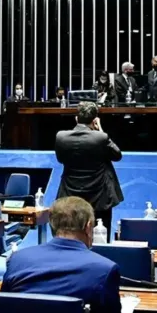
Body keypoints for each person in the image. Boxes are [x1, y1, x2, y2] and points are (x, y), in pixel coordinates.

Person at [1, 196, 121, 313]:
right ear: (88, 226)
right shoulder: (105, 269)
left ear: (51, 225)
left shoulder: (17, 259)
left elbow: (2, 307)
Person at [54, 102, 123, 240]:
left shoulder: (61, 136)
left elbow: (60, 159)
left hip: (71, 192)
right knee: (101, 235)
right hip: (100, 195)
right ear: (94, 120)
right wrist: (101, 130)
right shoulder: (101, 137)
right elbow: (117, 155)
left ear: (76, 119)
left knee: (71, 232)